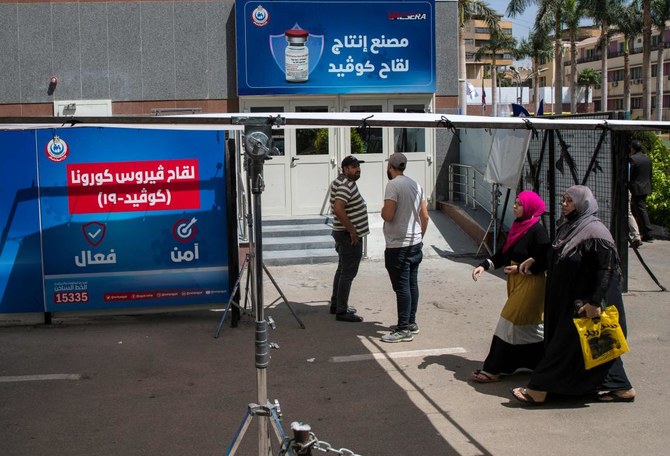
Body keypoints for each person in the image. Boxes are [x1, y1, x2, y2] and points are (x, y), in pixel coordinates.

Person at [512, 185, 635, 405]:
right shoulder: (569, 227)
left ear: (582, 204)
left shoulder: (596, 232)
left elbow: (605, 269)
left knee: (564, 346)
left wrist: (595, 302)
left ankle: (538, 389)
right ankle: (621, 387)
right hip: (568, 299)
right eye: (564, 200)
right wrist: (536, 261)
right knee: (596, 345)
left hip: (585, 302)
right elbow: (557, 253)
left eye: (569, 201)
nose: (564, 204)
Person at [470, 191, 549, 383]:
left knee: (507, 321)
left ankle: (493, 369)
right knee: (529, 327)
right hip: (516, 283)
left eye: (519, 204)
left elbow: (545, 260)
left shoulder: (538, 231)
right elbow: (504, 254)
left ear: (529, 208)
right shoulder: (517, 227)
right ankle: (543, 364)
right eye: (515, 203)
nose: (515, 207)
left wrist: (521, 268)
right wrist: (483, 265)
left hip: (531, 284)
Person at [380, 153, 429, 342]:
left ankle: (403, 329)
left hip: (398, 245)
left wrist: (383, 210)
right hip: (414, 243)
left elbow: (388, 215)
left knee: (402, 287)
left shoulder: (393, 185)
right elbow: (425, 216)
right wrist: (419, 237)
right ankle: (411, 322)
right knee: (411, 284)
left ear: (391, 166)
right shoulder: (416, 185)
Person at [329, 155, 369, 322]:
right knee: (348, 273)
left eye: (358, 166)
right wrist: (353, 231)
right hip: (348, 236)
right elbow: (338, 208)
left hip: (343, 233)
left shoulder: (341, 182)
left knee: (342, 269)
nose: (357, 169)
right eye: (353, 167)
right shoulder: (346, 185)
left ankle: (336, 304)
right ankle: (342, 311)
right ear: (345, 169)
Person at [629, 140, 653, 242]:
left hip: (636, 188)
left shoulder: (632, 159)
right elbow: (650, 174)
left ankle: (648, 234)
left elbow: (629, 175)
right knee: (640, 210)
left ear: (633, 148)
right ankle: (642, 232)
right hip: (646, 187)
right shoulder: (647, 158)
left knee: (640, 211)